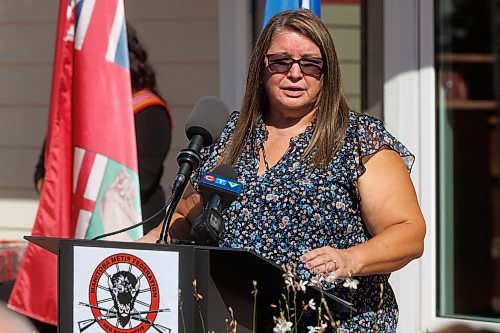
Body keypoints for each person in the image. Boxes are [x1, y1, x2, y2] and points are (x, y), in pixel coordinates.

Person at [141, 9, 426, 331]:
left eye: (310, 64)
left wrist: (349, 260)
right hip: (235, 318)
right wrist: (147, 244)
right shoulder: (228, 136)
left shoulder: (358, 139)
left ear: (326, 72)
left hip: (332, 321)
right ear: (261, 68)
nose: (294, 74)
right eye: (280, 61)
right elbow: (185, 215)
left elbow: (407, 232)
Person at [34, 23, 172, 235]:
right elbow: (43, 172)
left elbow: (139, 182)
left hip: (132, 232)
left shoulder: (147, 110)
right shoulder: (74, 110)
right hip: (76, 230)